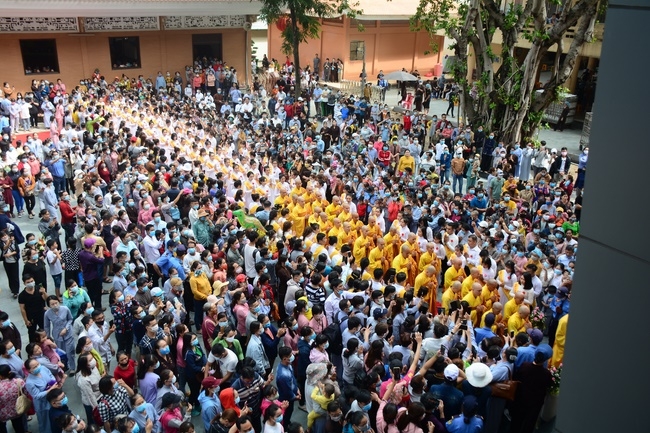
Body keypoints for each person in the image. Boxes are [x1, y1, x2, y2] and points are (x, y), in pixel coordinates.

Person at [0, 364, 26, 433]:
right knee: (19, 427)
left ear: (1, 376)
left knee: (2, 428)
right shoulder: (19, 382)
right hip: (17, 409)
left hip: (2, 414)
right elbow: (25, 393)